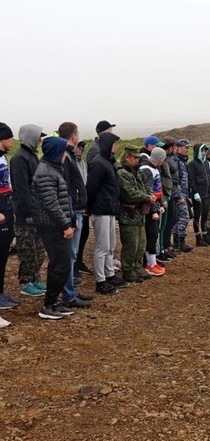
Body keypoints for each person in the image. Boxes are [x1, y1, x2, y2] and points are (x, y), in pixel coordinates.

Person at [32, 136, 76, 320]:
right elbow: (51, 203)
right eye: (63, 151)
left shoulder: (51, 169)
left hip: (55, 224)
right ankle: (48, 305)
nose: (66, 155)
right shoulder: (45, 173)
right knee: (62, 264)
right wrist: (65, 224)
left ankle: (52, 302)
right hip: (52, 226)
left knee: (59, 264)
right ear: (56, 152)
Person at [57, 122, 93, 308]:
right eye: (77, 133)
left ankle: (71, 292)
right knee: (69, 255)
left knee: (72, 254)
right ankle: (68, 295)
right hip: (72, 212)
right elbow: (66, 188)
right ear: (73, 136)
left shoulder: (69, 155)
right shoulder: (64, 156)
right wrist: (71, 214)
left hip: (77, 210)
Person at [9, 124, 47, 302]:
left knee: (39, 249)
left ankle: (35, 278)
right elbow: (22, 189)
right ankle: (26, 282)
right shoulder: (19, 158)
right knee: (27, 249)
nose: (40, 140)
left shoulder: (32, 156)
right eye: (38, 136)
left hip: (37, 212)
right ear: (31, 136)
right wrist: (31, 211)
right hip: (25, 214)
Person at [86, 132, 126, 294]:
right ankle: (100, 280)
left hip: (109, 209)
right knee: (102, 247)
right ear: (108, 144)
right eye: (115, 143)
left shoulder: (108, 161)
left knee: (110, 246)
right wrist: (88, 207)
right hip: (100, 210)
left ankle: (109, 275)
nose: (117, 146)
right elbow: (91, 188)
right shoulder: (99, 163)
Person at [117, 145, 156, 283]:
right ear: (127, 157)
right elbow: (129, 193)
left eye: (138, 158)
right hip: (128, 213)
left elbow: (144, 186)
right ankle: (128, 269)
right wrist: (147, 197)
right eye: (134, 158)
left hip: (139, 213)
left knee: (141, 242)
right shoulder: (122, 173)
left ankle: (138, 266)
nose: (137, 160)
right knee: (130, 243)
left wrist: (148, 194)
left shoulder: (136, 172)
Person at [0, 122, 21, 319]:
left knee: (4, 254)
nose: (11, 141)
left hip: (7, 209)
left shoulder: (3, 157)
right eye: (8, 138)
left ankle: (1, 292)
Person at [139, 147, 167, 277]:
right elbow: (148, 191)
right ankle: (149, 264)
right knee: (151, 234)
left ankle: (153, 262)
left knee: (154, 234)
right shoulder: (147, 170)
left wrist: (161, 203)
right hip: (149, 209)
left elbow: (158, 189)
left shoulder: (155, 168)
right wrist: (153, 210)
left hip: (155, 205)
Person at [73, 140, 93, 276]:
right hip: (75, 206)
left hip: (83, 204)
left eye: (82, 147)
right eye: (78, 147)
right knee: (75, 237)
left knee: (84, 233)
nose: (80, 149)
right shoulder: (70, 162)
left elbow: (85, 183)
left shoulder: (82, 163)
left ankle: (79, 261)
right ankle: (74, 266)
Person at [188, 143, 210, 247]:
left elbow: (209, 178)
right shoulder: (192, 164)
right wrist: (195, 192)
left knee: (205, 215)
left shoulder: (206, 162)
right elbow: (191, 179)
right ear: (197, 151)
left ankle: (205, 235)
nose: (204, 152)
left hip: (206, 193)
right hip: (198, 194)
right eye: (202, 150)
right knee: (198, 216)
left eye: (205, 151)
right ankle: (198, 237)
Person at [172, 139, 193, 253]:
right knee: (183, 217)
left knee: (180, 218)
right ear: (178, 147)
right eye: (185, 147)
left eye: (188, 148)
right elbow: (176, 181)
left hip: (184, 194)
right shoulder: (176, 161)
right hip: (178, 195)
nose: (187, 150)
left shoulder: (183, 161)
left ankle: (178, 243)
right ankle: (179, 242)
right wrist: (180, 195)